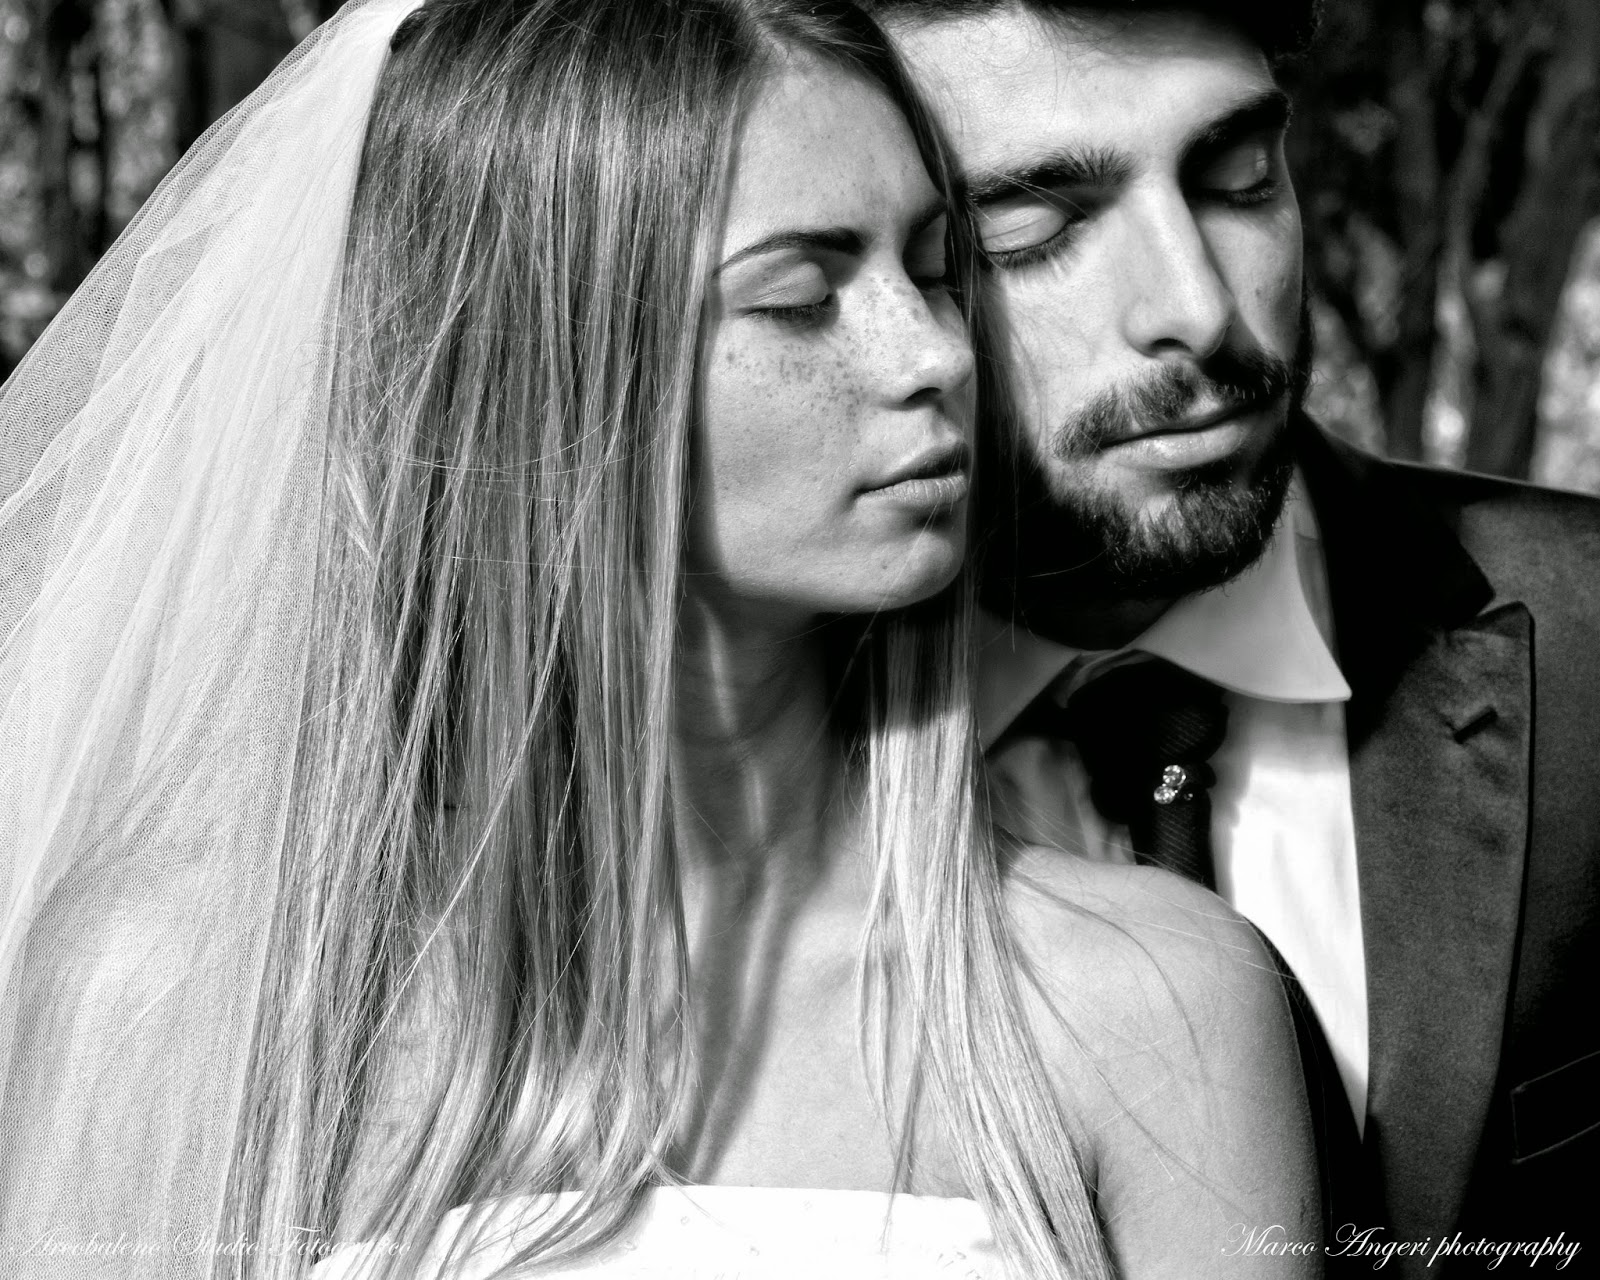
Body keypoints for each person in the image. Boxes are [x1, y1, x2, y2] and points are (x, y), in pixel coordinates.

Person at [0, 0, 1320, 1276]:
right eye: (802, 296)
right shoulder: (178, 1003)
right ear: (543, 371)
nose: (936, 353)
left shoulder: (1152, 1006)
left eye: (934, 269)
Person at [862, 0, 1600, 1269]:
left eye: (1241, 178)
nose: (1198, 308)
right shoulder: (705, 760)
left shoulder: (1584, 641)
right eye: (1029, 232)